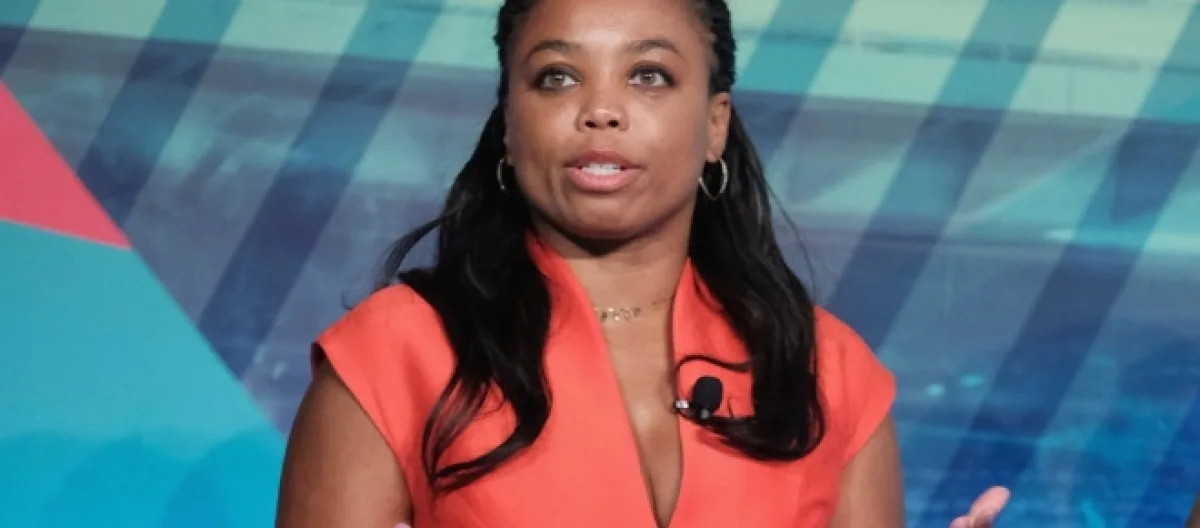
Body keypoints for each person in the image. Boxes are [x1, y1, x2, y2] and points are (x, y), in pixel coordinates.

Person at [276, 0, 1009, 526]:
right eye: (557, 77)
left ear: (715, 125)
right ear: (507, 124)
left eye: (649, 75)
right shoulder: (391, 357)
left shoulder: (827, 373)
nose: (602, 110)